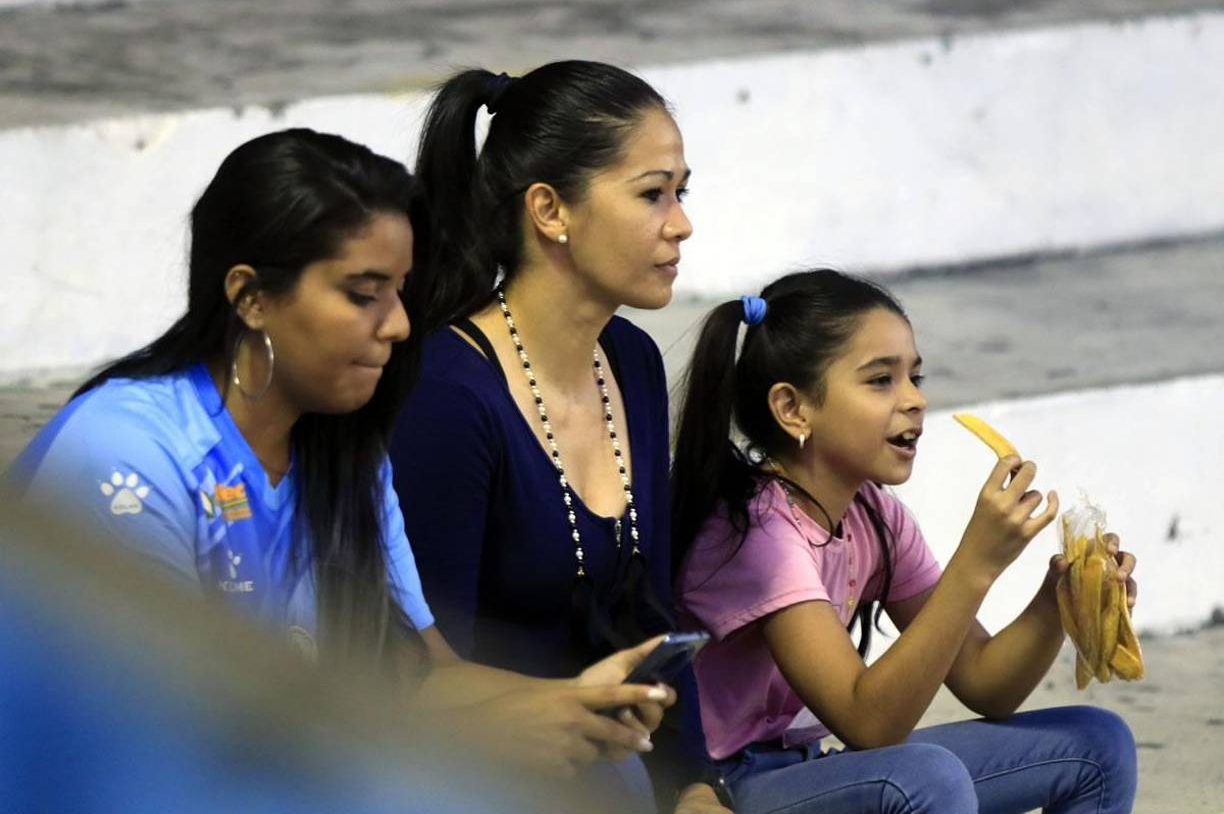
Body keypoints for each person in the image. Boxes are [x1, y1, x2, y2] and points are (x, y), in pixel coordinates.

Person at [7, 127, 676, 785]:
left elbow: (424, 673)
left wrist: (570, 703)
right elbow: (163, 736)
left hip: (267, 767)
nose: (400, 324)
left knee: (609, 770)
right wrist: (486, 733)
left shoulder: (344, 450)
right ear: (251, 297)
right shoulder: (127, 451)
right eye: (363, 294)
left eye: (400, 291)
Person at [670, 269, 1139, 813]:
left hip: (810, 768)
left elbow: (986, 682)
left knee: (1097, 745)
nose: (914, 399)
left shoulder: (874, 514)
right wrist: (976, 565)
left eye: (915, 376)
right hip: (721, 790)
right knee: (923, 778)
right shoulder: (761, 533)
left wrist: (1062, 598)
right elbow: (870, 723)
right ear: (794, 408)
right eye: (880, 380)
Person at [390, 63, 728, 812]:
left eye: (682, 193)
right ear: (550, 210)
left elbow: (653, 618)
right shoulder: (449, 393)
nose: (681, 223)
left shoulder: (631, 360)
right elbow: (419, 673)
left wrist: (695, 784)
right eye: (652, 194)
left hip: (616, 756)